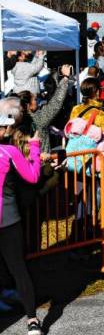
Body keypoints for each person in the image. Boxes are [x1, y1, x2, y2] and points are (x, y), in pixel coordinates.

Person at [0, 98, 43, 335]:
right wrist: (35, 147)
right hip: (8, 220)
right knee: (18, 269)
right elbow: (33, 176)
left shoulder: (8, 151)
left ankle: (29, 317)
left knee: (14, 269)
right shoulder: (10, 151)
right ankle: (32, 320)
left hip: (8, 220)